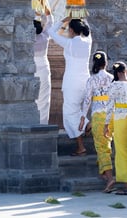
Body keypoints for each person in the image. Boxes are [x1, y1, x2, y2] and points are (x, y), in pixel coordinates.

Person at [49, 17, 92, 156]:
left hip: (72, 82)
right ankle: (86, 125)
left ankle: (84, 135)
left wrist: (63, 20)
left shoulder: (69, 43)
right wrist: (82, 17)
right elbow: (89, 29)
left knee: (70, 114)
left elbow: (51, 31)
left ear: (71, 30)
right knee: (78, 111)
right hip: (86, 81)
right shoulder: (88, 41)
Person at [79, 51, 115, 193]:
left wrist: (83, 117)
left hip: (99, 116)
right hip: (112, 115)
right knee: (107, 145)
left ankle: (110, 178)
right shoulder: (112, 78)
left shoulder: (92, 80)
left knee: (102, 148)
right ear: (106, 63)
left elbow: (87, 100)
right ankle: (105, 173)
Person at [104, 61, 127, 195]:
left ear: (116, 73)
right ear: (126, 71)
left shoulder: (114, 86)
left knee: (122, 152)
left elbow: (110, 107)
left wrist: (106, 125)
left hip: (121, 119)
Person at [33, 8, 54, 124]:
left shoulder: (28, 40)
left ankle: (32, 122)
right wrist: (47, 14)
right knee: (44, 100)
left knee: (32, 99)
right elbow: (50, 24)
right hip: (44, 68)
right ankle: (43, 123)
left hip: (30, 68)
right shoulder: (44, 36)